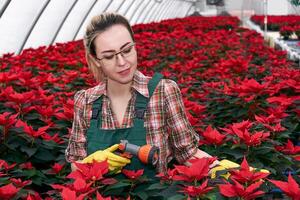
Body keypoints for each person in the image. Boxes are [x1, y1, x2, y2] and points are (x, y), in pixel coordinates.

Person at [65, 12, 217, 176]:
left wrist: (225, 169)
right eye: (109, 56)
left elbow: (188, 153)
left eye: (127, 50)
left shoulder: (163, 92)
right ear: (96, 60)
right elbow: (75, 164)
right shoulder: (86, 101)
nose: (122, 62)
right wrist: (90, 164)